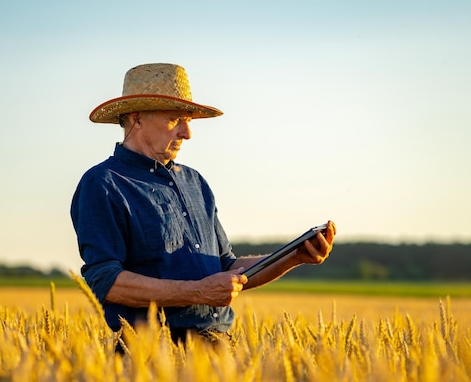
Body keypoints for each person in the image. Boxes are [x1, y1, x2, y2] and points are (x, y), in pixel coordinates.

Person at [71, 63, 336, 343]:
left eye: (190, 121)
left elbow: (227, 268)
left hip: (220, 349)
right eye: (176, 119)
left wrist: (293, 256)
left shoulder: (195, 182)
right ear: (136, 119)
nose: (188, 133)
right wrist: (198, 291)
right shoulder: (103, 183)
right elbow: (106, 281)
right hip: (150, 355)